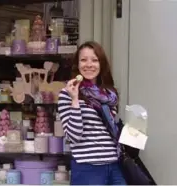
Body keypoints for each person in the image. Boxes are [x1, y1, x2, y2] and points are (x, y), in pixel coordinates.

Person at [57, 41, 126, 185]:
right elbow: (74, 136)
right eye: (83, 60)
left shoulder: (109, 94)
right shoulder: (67, 93)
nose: (89, 64)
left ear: (101, 64)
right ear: (77, 64)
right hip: (87, 168)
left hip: (114, 164)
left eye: (95, 60)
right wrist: (75, 100)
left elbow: (109, 131)